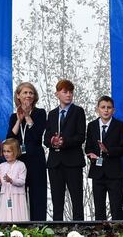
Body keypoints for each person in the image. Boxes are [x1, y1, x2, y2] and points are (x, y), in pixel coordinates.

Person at [43, 79, 85, 221]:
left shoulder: (78, 111)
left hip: (73, 161)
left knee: (77, 198)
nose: (69, 95)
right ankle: (57, 228)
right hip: (55, 162)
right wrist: (52, 141)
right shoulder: (52, 114)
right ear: (57, 94)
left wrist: (64, 141)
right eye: (65, 92)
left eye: (71, 92)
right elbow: (46, 137)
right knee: (56, 199)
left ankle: (79, 228)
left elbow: (80, 137)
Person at [6, 81, 47, 220]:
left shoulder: (40, 113)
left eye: (31, 93)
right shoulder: (13, 116)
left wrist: (28, 116)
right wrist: (19, 120)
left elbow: (37, 136)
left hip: (36, 160)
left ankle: (39, 227)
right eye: (25, 92)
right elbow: (10, 141)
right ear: (18, 96)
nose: (28, 95)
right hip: (19, 162)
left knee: (38, 196)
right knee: (19, 196)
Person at [84, 95, 123, 220]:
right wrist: (91, 155)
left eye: (109, 108)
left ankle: (118, 232)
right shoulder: (91, 125)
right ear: (97, 109)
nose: (106, 110)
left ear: (114, 110)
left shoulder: (119, 125)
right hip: (97, 172)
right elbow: (88, 147)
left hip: (114, 173)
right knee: (99, 208)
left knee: (116, 207)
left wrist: (108, 151)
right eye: (103, 107)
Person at [0, 138, 28, 222]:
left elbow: (22, 181)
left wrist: (11, 180)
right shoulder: (1, 166)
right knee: (4, 218)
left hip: (17, 196)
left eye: (9, 151)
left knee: (18, 218)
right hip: (5, 196)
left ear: (16, 151)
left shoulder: (21, 165)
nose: (6, 154)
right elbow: (0, 184)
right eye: (4, 151)